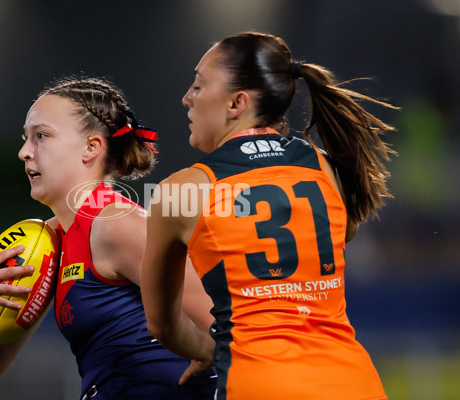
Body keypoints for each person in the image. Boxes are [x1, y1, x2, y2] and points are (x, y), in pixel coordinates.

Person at [141, 31, 397, 399]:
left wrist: (203, 352)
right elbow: (343, 232)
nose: (187, 98)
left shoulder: (182, 191)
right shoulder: (322, 166)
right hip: (355, 383)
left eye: (198, 86)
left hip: (258, 384)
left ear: (237, 104)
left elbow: (161, 323)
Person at [0, 77, 217, 399]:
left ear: (91, 148)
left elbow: (227, 325)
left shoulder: (116, 224)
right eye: (25, 138)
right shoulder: (49, 239)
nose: (23, 152)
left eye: (41, 136)